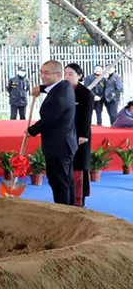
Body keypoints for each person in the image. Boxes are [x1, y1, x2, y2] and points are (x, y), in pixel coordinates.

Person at [27, 60, 76, 205]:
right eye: (41, 72)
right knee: (65, 180)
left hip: (59, 145)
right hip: (64, 143)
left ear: (58, 75)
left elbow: (50, 118)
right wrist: (41, 88)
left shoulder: (60, 95)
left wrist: (32, 130)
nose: (43, 76)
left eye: (47, 73)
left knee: (60, 182)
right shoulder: (65, 86)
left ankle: (64, 211)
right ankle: (71, 209)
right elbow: (54, 87)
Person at [64, 63, 94, 207]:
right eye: (65, 74)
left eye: (71, 74)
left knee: (78, 167)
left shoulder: (86, 94)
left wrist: (83, 135)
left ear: (79, 76)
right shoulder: (62, 91)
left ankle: (79, 201)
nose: (67, 77)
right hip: (64, 135)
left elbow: (87, 117)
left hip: (80, 137)